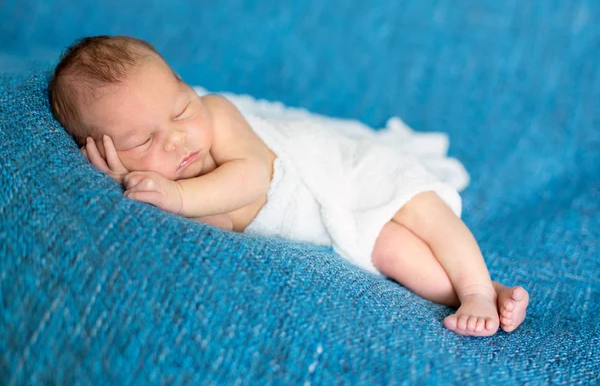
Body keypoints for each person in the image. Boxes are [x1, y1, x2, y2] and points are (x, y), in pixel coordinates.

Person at [48, 35, 529, 337]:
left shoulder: (215, 115)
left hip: (340, 167)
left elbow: (254, 176)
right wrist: (127, 186)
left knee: (421, 209)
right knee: (398, 254)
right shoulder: (160, 191)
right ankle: (487, 291)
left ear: (184, 85)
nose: (175, 137)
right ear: (103, 151)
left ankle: (476, 289)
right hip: (326, 218)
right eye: (143, 139)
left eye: (179, 109)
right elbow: (212, 228)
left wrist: (175, 195)